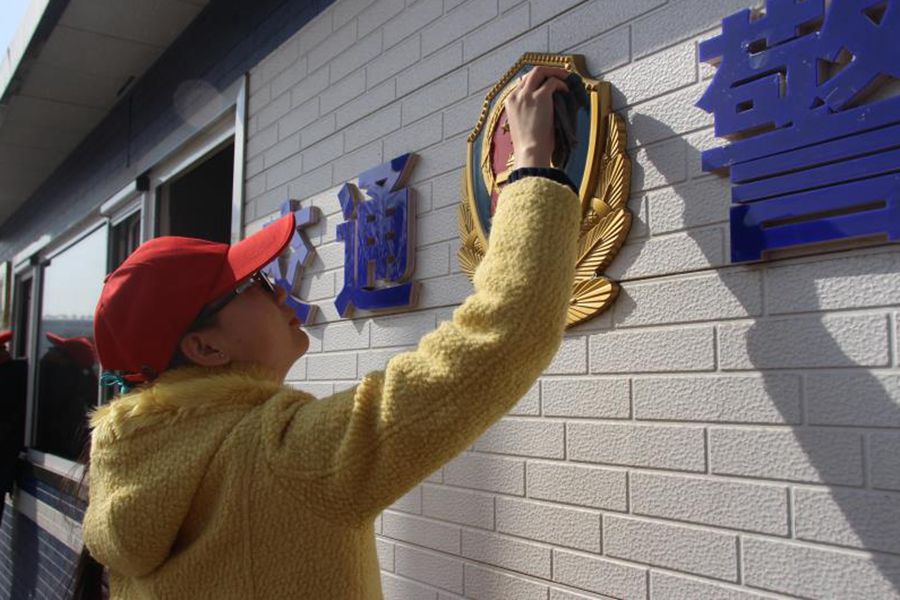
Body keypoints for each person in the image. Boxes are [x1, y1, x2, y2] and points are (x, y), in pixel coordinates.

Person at [79, 66, 580, 599]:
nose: (280, 291)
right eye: (254, 283)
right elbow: (506, 333)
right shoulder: (281, 456)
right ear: (205, 347)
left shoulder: (129, 477)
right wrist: (531, 163)